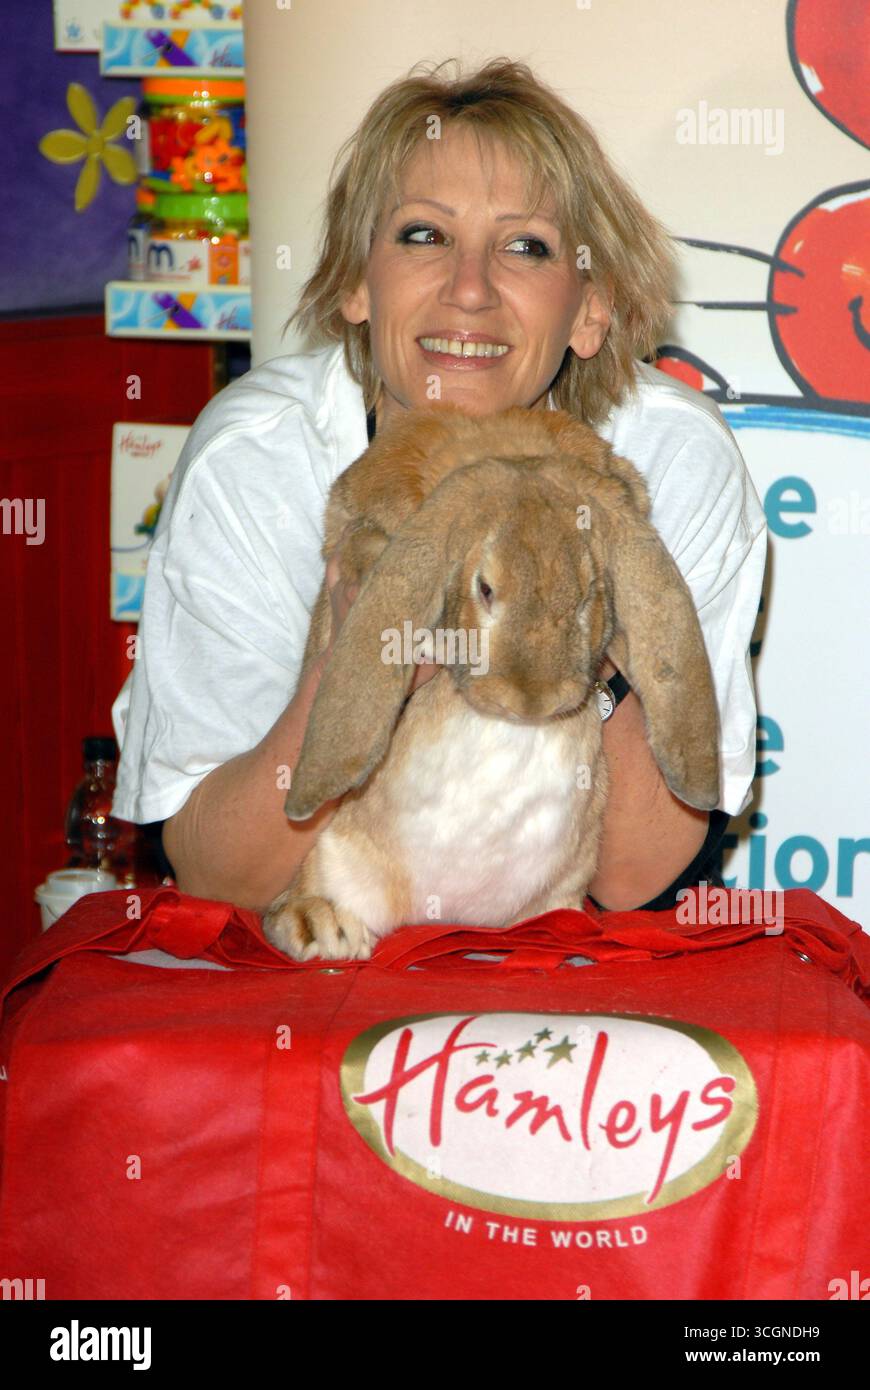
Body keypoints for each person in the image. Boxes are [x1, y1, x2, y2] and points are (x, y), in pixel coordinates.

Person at [111, 57, 767, 915]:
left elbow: (637, 877)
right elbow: (219, 875)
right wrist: (355, 657)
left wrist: (572, 623)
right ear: (354, 280)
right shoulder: (258, 459)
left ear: (591, 309)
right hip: (320, 961)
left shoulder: (666, 461)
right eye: (424, 235)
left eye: (525, 247)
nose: (469, 291)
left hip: (557, 964)